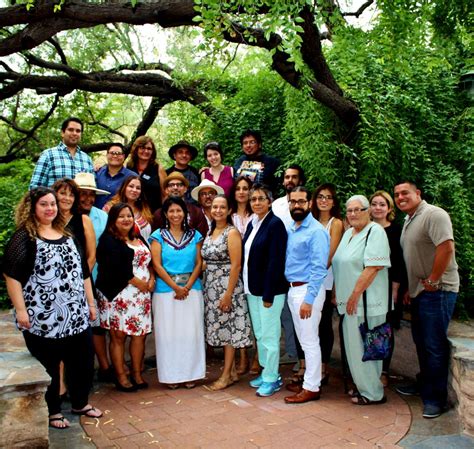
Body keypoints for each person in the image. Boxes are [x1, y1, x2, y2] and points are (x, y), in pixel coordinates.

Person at [3, 187, 102, 429]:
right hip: (43, 317)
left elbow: (84, 272)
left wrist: (90, 303)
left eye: (53, 204)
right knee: (49, 364)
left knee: (83, 360)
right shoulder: (24, 237)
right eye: (44, 204)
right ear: (32, 208)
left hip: (76, 314)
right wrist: (21, 310)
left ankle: (80, 403)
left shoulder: (67, 234)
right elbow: (11, 275)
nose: (50, 209)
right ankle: (53, 411)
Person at [394, 181, 459, 419]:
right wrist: (410, 289)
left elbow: (446, 248)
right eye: (397, 194)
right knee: (422, 343)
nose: (401, 197)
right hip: (420, 292)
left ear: (418, 193)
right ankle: (424, 385)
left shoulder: (434, 214)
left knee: (434, 346)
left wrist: (433, 279)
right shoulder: (409, 219)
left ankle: (436, 399)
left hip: (438, 291)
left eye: (405, 193)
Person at [332, 195, 391, 406]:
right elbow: (340, 264)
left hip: (366, 303)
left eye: (358, 209)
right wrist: (337, 294)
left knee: (368, 350)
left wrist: (354, 294)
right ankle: (363, 385)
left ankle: (373, 393)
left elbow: (373, 267)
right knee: (355, 350)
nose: (353, 214)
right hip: (349, 304)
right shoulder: (348, 233)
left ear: (368, 211)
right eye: (349, 210)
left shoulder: (375, 232)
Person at [96, 203, 154, 392]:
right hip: (118, 294)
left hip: (141, 296)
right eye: (121, 216)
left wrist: (151, 278)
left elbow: (149, 262)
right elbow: (115, 268)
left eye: (129, 215)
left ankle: (137, 373)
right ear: (113, 219)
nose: (126, 219)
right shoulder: (108, 240)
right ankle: (121, 376)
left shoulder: (138, 238)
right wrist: (139, 283)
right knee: (118, 336)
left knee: (140, 335)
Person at [149, 197, 205, 389]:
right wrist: (175, 287)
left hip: (192, 290)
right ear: (165, 214)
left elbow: (199, 263)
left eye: (179, 211)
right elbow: (156, 264)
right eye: (171, 211)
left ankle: (191, 374)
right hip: (165, 292)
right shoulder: (157, 235)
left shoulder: (195, 235)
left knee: (191, 332)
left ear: (185, 213)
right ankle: (171, 376)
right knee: (168, 334)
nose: (175, 215)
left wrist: (187, 286)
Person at [284, 187, 329, 404]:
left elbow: (319, 268)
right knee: (304, 339)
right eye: (293, 202)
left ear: (309, 203)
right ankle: (308, 381)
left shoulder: (317, 231)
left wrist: (309, 300)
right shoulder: (293, 228)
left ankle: (312, 387)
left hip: (307, 290)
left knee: (310, 340)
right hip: (294, 289)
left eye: (301, 202)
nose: (297, 206)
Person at [202, 195, 252, 390]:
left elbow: (236, 264)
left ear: (229, 210)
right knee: (221, 329)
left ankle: (224, 376)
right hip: (211, 287)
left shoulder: (232, 233)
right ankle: (231, 372)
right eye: (215, 207)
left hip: (227, 287)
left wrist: (228, 294)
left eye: (222, 207)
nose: (218, 210)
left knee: (228, 331)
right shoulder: (211, 232)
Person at [243, 184, 288, 397]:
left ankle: (272, 378)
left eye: (261, 198)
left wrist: (269, 293)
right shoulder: (253, 224)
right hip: (253, 289)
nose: (257, 202)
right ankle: (266, 371)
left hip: (269, 291)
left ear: (270, 201)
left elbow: (275, 261)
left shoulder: (275, 224)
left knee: (270, 336)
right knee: (260, 335)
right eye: (253, 199)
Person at [73, 172, 112, 382]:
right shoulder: (65, 216)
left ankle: (104, 366)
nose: (87, 198)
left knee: (96, 324)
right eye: (83, 194)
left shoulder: (102, 217)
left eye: (91, 194)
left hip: (98, 278)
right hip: (71, 281)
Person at [369, 190, 407, 387]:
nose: (377, 208)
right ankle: (368, 370)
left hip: (388, 287)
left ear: (389, 208)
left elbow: (400, 263)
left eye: (382, 204)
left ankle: (383, 371)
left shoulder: (396, 231)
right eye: (374, 204)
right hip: (367, 287)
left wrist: (394, 290)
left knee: (384, 331)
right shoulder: (364, 229)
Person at [272, 165, 306, 373]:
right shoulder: (276, 205)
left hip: (299, 268)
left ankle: (300, 357)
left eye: (294, 177)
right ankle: (292, 352)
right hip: (278, 265)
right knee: (284, 312)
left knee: (298, 313)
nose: (290, 180)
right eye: (287, 177)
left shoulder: (304, 205)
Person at [311, 183, 344, 385]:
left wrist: (312, 274)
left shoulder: (336, 223)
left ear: (334, 201)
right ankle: (310, 367)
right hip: (308, 280)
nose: (324, 200)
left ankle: (323, 368)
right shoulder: (310, 221)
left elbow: (330, 255)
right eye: (321, 196)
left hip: (325, 280)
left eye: (329, 197)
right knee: (311, 325)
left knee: (323, 325)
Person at [229, 175, 257, 375]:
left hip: (253, 269)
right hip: (233, 269)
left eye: (245, 188)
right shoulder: (228, 214)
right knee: (239, 315)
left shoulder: (256, 215)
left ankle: (257, 356)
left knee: (255, 315)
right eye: (238, 188)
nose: (241, 192)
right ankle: (242, 357)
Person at [30, 117, 94, 189]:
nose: (74, 133)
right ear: (62, 133)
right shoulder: (48, 155)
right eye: (70, 130)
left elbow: (91, 189)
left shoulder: (87, 159)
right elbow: (35, 187)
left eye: (78, 131)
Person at [52, 178, 96, 273]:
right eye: (63, 193)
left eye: (71, 195)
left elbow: (92, 257)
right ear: (54, 195)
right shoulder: (48, 221)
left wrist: (81, 279)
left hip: (79, 279)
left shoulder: (84, 220)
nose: (67, 198)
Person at [152, 172, 209, 238]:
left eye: (179, 185)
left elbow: (202, 237)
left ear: (185, 189)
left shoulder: (196, 212)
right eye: (171, 185)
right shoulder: (158, 214)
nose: (175, 188)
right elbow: (155, 239)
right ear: (166, 190)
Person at [104, 176, 153, 241]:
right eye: (131, 186)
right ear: (124, 188)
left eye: (138, 188)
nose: (134, 190)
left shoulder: (145, 211)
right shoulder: (110, 207)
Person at [126, 136, 167, 213]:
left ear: (153, 152)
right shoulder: (129, 167)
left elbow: (165, 195)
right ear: (136, 149)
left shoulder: (158, 168)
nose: (146, 151)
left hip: (153, 213)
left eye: (149, 149)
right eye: (142, 148)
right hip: (131, 213)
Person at [233, 130, 280, 195]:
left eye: (252, 142)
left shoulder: (272, 162)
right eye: (245, 143)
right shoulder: (239, 162)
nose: (248, 145)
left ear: (259, 144)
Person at [95, 143, 137, 209]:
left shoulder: (132, 177)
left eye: (118, 153)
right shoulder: (97, 173)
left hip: (120, 217)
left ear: (123, 156)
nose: (115, 156)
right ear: (107, 155)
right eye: (112, 153)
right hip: (96, 216)